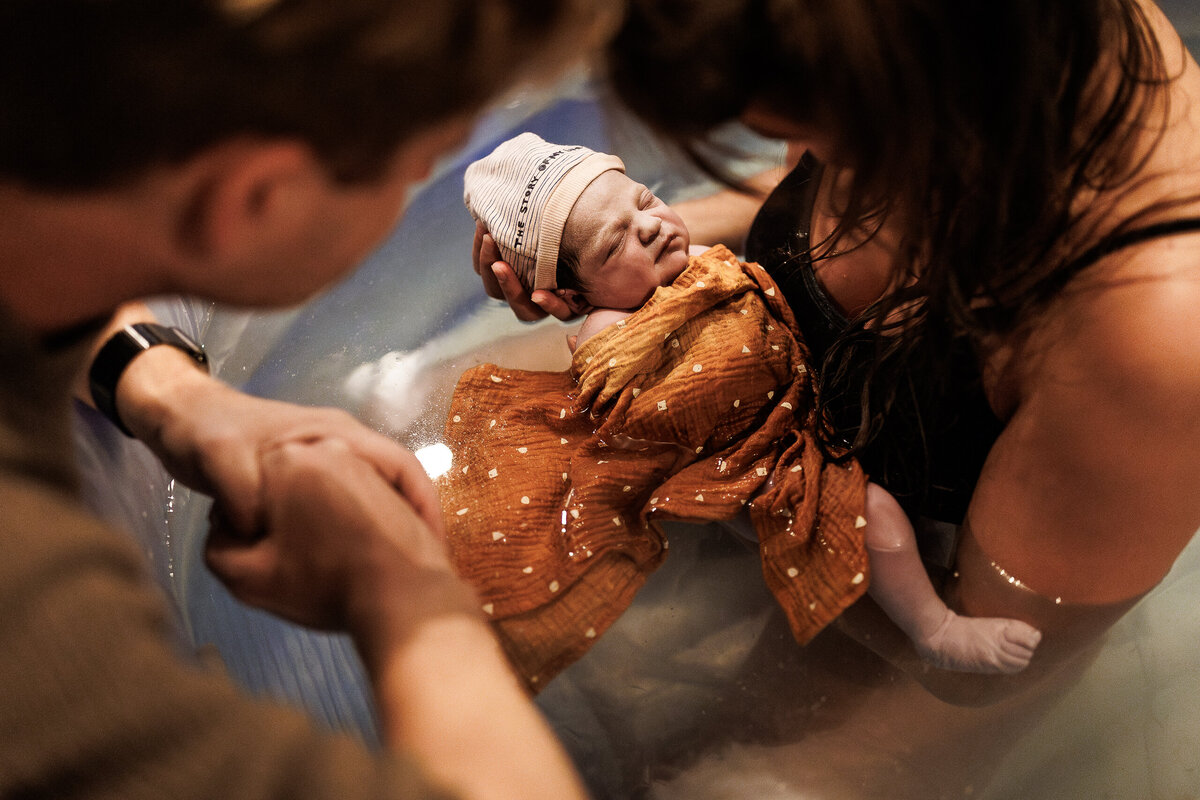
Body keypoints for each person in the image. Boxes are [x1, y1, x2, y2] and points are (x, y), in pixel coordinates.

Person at [472, 0, 1200, 772]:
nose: (806, 151)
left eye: (812, 121)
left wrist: (796, 539)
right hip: (764, 436)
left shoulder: (1157, 331)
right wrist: (606, 251)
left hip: (907, 594)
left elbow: (977, 678)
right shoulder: (881, 51)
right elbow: (792, 189)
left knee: (702, 772)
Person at [0, 2, 609, 798]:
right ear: (258, 200)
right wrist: (409, 596)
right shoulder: (36, 628)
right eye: (420, 165)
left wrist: (172, 393)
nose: (411, 190)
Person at [462, 132, 1042, 676]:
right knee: (870, 525)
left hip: (814, 433)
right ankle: (929, 627)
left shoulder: (702, 266)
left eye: (647, 201)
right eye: (617, 241)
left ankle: (932, 626)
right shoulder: (608, 329)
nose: (650, 226)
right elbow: (617, 413)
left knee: (882, 523)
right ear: (570, 295)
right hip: (752, 469)